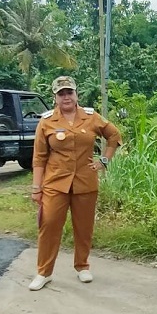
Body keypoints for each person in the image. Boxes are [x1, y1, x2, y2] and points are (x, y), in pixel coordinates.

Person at [28, 76, 121, 291]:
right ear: (55, 98)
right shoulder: (47, 121)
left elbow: (114, 135)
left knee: (84, 226)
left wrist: (104, 161)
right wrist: (36, 187)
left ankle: (82, 266)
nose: (66, 97)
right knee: (49, 224)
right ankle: (44, 272)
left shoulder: (90, 117)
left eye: (69, 92)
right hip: (55, 183)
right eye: (61, 94)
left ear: (76, 94)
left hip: (84, 182)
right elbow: (39, 157)